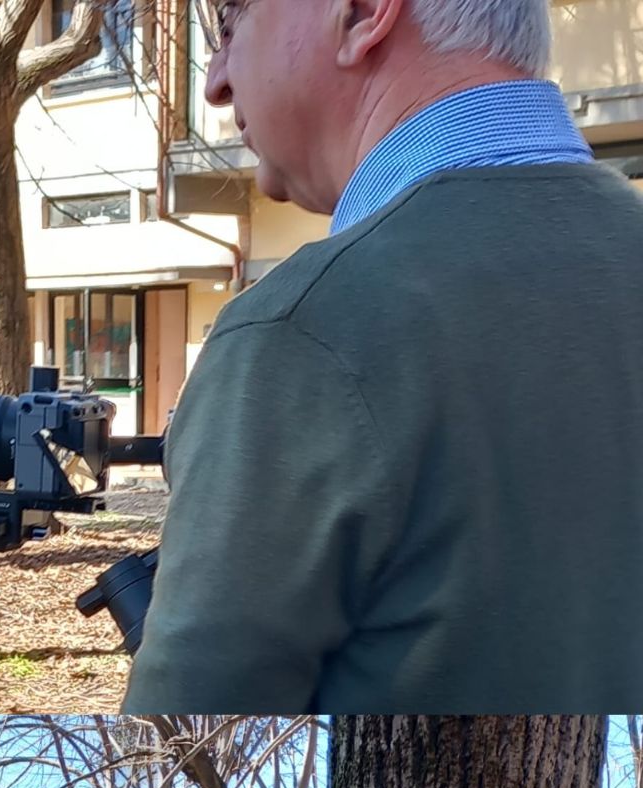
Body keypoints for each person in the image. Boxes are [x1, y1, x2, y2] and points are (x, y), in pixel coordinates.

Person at [122, 0, 643, 713]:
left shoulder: (301, 332)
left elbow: (185, 728)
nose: (214, 81)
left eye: (230, 21)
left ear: (363, 12)